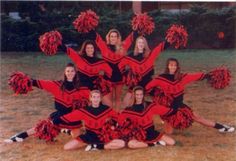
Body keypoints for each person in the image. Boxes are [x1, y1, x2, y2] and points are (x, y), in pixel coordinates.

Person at [4, 63, 90, 143]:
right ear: (65, 72)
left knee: (78, 140)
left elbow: (92, 99)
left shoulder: (81, 87)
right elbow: (39, 83)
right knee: (41, 128)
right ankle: (20, 136)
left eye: (72, 71)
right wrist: (25, 80)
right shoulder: (57, 85)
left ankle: (65, 130)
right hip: (59, 116)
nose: (70, 73)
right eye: (68, 71)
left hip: (73, 118)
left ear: (75, 73)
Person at [146, 58, 235, 134]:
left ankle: (222, 127)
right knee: (168, 133)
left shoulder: (182, 77)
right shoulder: (161, 78)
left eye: (175, 65)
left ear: (177, 67)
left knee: (198, 118)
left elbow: (197, 76)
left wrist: (210, 75)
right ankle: (157, 127)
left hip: (179, 106)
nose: (173, 67)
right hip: (167, 108)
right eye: (171, 65)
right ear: (167, 66)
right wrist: (159, 96)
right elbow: (148, 87)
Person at [53, 90, 125, 151]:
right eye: (94, 97)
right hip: (89, 135)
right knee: (67, 147)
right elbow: (68, 117)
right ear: (90, 98)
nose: (96, 99)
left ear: (100, 99)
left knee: (122, 143)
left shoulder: (106, 109)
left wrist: (113, 126)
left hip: (102, 135)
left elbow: (118, 117)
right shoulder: (84, 110)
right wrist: (53, 121)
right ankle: (89, 143)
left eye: (98, 97)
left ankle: (97, 146)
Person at [119, 36, 170, 108]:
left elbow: (159, 49)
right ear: (136, 44)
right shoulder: (131, 55)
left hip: (148, 82)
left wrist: (168, 41)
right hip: (136, 84)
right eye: (139, 42)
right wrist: (127, 75)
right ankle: (142, 106)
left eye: (143, 42)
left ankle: (148, 106)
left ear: (145, 44)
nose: (141, 44)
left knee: (162, 99)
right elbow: (121, 66)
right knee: (125, 102)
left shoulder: (150, 54)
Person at [61, 40, 113, 107]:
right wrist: (58, 43)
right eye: (87, 48)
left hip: (94, 86)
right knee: (82, 106)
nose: (89, 49)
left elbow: (110, 71)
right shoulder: (79, 58)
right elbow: (67, 50)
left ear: (94, 49)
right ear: (84, 49)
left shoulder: (100, 61)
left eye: (91, 48)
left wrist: (103, 79)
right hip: (81, 85)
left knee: (99, 106)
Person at [95, 29, 137, 109]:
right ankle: (111, 119)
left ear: (118, 38)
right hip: (108, 78)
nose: (113, 38)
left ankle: (116, 118)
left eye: (115, 36)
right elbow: (97, 38)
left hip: (119, 77)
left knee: (118, 99)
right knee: (109, 100)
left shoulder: (123, 47)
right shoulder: (104, 47)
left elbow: (131, 38)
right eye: (111, 36)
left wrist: (139, 24)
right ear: (109, 37)